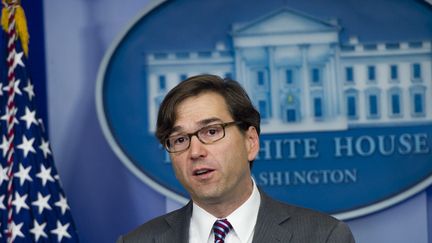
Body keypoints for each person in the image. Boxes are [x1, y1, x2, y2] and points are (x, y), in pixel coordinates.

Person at [117, 74, 355, 243]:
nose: (195, 151)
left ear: (250, 142)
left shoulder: (324, 237)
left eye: (211, 131)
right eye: (179, 140)